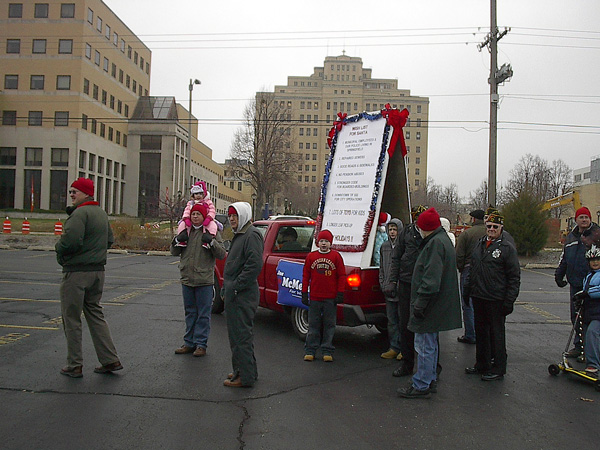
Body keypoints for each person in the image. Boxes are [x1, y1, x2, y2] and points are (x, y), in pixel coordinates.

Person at [55, 178, 122, 378]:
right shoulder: (101, 213)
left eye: (75, 191)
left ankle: (74, 364)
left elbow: (70, 241)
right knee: (95, 314)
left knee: (71, 318)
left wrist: (59, 249)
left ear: (86, 194)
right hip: (97, 272)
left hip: (76, 273)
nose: (72, 195)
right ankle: (110, 359)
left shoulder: (79, 214)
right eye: (71, 191)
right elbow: (109, 240)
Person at [397, 207, 462, 399]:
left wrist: (420, 303)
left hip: (430, 305)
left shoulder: (435, 244)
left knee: (424, 345)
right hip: (436, 304)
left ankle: (421, 384)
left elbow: (431, 280)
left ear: (425, 228)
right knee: (430, 344)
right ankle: (429, 378)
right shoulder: (441, 240)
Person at [464, 213, 521, 381]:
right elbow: (472, 268)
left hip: (496, 298)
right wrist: (467, 289)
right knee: (481, 333)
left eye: (495, 227)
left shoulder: (507, 248)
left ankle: (498, 368)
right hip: (479, 296)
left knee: (496, 335)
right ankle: (482, 363)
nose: (491, 229)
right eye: (489, 226)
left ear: (501, 228)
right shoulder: (479, 244)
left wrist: (509, 300)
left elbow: (514, 277)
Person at [171, 203, 226, 357]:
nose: (195, 217)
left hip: (204, 280)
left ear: (204, 216)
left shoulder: (211, 231)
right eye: (193, 214)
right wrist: (177, 240)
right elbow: (173, 252)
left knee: (203, 314)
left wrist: (211, 242)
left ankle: (201, 344)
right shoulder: (186, 231)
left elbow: (222, 254)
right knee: (190, 312)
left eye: (198, 214)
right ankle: (189, 343)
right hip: (187, 279)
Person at [222, 202, 264, 387]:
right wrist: (227, 288)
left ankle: (244, 377)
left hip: (243, 295)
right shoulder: (240, 234)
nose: (232, 219)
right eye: (230, 216)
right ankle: (244, 370)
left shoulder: (251, 235)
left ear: (243, 216)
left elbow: (254, 265)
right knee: (236, 335)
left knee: (241, 336)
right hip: (235, 293)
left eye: (235, 216)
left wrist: (236, 286)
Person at [385, 205, 426, 377]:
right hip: (406, 283)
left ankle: (431, 367)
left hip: (424, 285)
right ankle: (407, 363)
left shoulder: (431, 235)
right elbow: (396, 257)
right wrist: (392, 281)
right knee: (405, 324)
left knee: (426, 327)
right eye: (416, 218)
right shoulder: (407, 233)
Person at [555, 206, 600, 361]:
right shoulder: (571, 237)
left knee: (592, 318)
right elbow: (564, 258)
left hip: (593, 284)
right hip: (575, 282)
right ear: (576, 220)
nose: (584, 220)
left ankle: (590, 350)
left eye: (586, 217)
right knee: (576, 316)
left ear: (590, 219)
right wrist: (559, 274)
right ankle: (579, 346)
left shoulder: (597, 234)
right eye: (581, 217)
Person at [302, 229, 346, 362]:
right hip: (315, 297)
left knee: (329, 324)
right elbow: (305, 276)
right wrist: (304, 293)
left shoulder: (336, 256)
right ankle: (310, 350)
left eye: (326, 241)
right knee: (313, 325)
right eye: (321, 241)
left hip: (330, 298)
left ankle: (327, 350)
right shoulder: (311, 256)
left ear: (330, 243)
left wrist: (340, 292)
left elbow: (342, 275)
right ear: (318, 242)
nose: (324, 243)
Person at [455, 209, 487, 345]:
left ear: (473, 219)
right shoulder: (490, 232)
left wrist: (461, 268)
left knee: (468, 303)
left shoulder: (466, 234)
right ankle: (484, 334)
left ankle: (470, 334)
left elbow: (459, 255)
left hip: (469, 269)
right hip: (487, 271)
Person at [379, 218, 404, 359]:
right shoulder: (384, 247)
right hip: (388, 289)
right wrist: (383, 283)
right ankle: (394, 347)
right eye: (390, 229)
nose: (392, 232)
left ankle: (404, 349)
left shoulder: (404, 246)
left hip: (401, 290)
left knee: (402, 320)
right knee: (391, 320)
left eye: (395, 229)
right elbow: (381, 267)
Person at [573, 245, 600, 376]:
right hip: (589, 312)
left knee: (592, 333)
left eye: (597, 260)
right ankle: (589, 359)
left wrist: (586, 293)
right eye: (592, 260)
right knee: (585, 335)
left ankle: (593, 365)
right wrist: (579, 300)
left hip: (598, 313)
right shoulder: (589, 276)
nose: (595, 262)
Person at [174, 181, 219, 248]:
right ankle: (182, 239)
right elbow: (187, 211)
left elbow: (212, 210)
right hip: (189, 222)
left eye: (200, 193)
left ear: (204, 194)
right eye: (196, 193)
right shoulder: (191, 203)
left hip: (207, 220)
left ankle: (209, 238)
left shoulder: (208, 202)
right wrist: (186, 218)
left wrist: (209, 218)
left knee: (212, 225)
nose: (198, 195)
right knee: (182, 224)